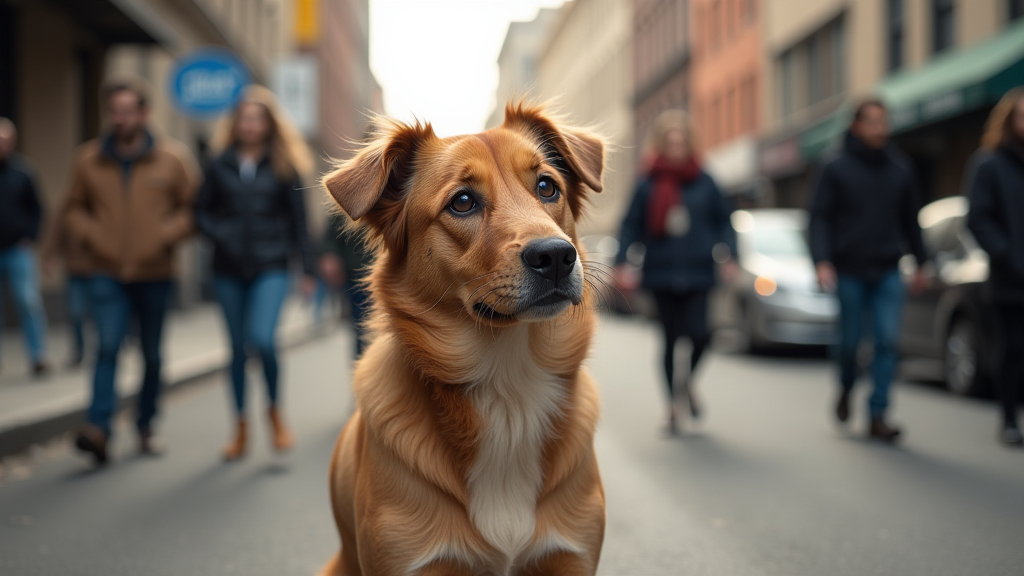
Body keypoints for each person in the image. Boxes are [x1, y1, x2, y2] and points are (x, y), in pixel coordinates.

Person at [65, 79, 198, 465]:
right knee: (106, 347)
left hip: (155, 271)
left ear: (144, 113)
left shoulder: (173, 159)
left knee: (151, 354)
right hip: (106, 270)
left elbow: (193, 209)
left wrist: (164, 235)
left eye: (127, 111)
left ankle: (146, 425)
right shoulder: (88, 160)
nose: (120, 119)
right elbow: (72, 208)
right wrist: (92, 235)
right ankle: (99, 430)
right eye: (114, 112)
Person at [195, 85, 317, 461]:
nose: (250, 124)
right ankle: (240, 429)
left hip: (271, 266)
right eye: (244, 118)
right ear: (235, 123)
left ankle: (275, 414)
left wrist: (307, 269)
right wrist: (222, 233)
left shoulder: (284, 166)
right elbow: (200, 212)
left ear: (269, 124)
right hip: (227, 268)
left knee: (262, 341)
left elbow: (299, 221)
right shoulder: (219, 165)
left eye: (257, 118)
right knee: (235, 351)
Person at [809, 98, 928, 443]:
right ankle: (846, 387)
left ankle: (878, 413)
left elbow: (911, 220)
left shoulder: (900, 168)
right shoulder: (834, 167)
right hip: (848, 270)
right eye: (873, 122)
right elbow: (819, 217)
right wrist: (822, 260)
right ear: (857, 126)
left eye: (884, 121)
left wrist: (921, 263)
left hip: (888, 270)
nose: (880, 128)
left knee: (887, 341)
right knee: (849, 344)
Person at [614, 110, 737, 435]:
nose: (676, 147)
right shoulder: (647, 183)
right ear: (661, 145)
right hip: (661, 271)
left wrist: (730, 255)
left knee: (701, 335)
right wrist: (621, 262)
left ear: (689, 144)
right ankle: (672, 406)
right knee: (669, 340)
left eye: (681, 141)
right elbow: (630, 225)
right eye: (670, 142)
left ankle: (685, 385)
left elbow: (724, 220)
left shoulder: (705, 180)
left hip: (699, 271)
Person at [967, 88, 1024, 446]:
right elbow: (978, 219)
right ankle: (1008, 418)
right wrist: (1007, 255)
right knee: (1014, 348)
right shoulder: (988, 164)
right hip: (1011, 279)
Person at [0, 118, 49, 378]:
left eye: (4, 140)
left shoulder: (24, 173)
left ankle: (37, 355)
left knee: (28, 301)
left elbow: (38, 209)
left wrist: (30, 237)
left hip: (17, 250)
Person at [40, 193, 93, 368]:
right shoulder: (68, 204)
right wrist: (48, 256)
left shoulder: (104, 199)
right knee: (76, 311)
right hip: (74, 269)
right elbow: (56, 231)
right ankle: (79, 351)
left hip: (102, 269)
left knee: (104, 313)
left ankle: (109, 348)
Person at [319, 213, 372, 359]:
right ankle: (365, 372)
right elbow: (331, 232)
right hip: (357, 276)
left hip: (391, 272)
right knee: (363, 331)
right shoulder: (348, 197)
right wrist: (329, 254)